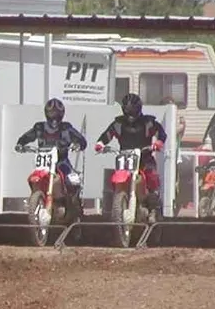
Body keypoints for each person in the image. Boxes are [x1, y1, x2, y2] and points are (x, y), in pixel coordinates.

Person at [94, 92, 167, 220]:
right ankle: (119, 204)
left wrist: (159, 142)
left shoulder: (148, 122)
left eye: (133, 111)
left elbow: (160, 132)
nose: (130, 115)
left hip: (144, 158)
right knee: (115, 179)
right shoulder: (119, 123)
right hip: (125, 160)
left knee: (151, 176)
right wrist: (100, 143)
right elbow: (108, 134)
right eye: (128, 111)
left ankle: (154, 208)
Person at [14, 97, 87, 201]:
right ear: (46, 113)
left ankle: (73, 204)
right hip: (43, 164)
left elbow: (81, 140)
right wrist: (20, 144)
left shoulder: (66, 128)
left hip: (61, 161)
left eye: (57, 113)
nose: (54, 117)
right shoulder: (39, 127)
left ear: (62, 114)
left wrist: (78, 145)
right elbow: (28, 136)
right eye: (52, 113)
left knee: (71, 180)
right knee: (33, 178)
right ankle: (36, 198)